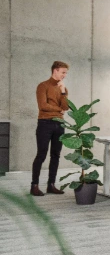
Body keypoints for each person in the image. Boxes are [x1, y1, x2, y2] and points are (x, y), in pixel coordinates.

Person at [31, 61, 70, 196]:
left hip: (59, 124)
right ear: (55, 70)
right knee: (41, 154)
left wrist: (63, 91)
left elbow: (66, 107)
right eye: (63, 72)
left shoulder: (63, 88)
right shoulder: (43, 86)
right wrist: (59, 110)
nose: (64, 75)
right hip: (45, 123)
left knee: (56, 155)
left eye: (66, 73)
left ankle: (51, 185)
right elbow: (43, 106)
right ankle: (34, 186)